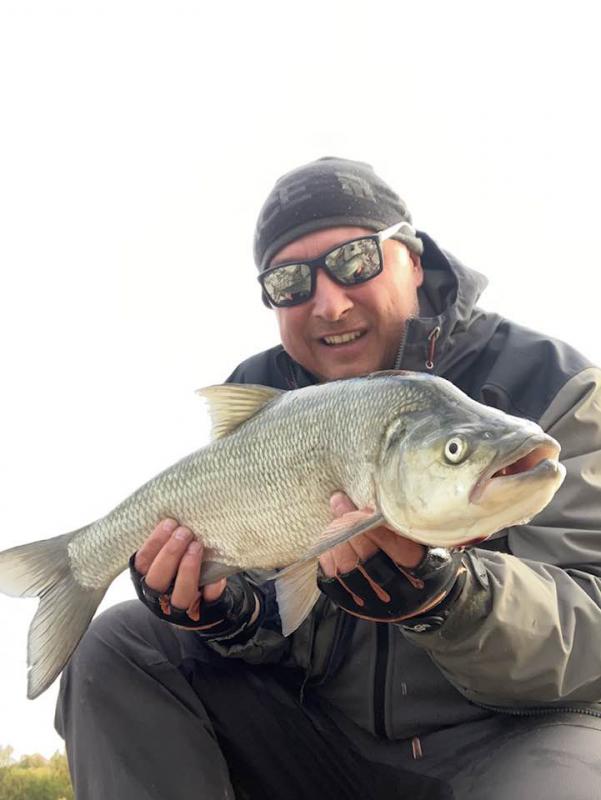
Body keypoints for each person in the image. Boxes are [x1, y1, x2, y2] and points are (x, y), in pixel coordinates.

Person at [55, 157, 601, 799]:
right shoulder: (262, 394)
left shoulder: (554, 387)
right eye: (289, 282)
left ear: (413, 260)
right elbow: (278, 615)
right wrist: (228, 614)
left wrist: (450, 596)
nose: (330, 304)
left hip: (516, 739)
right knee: (120, 647)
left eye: (355, 261)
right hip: (322, 739)